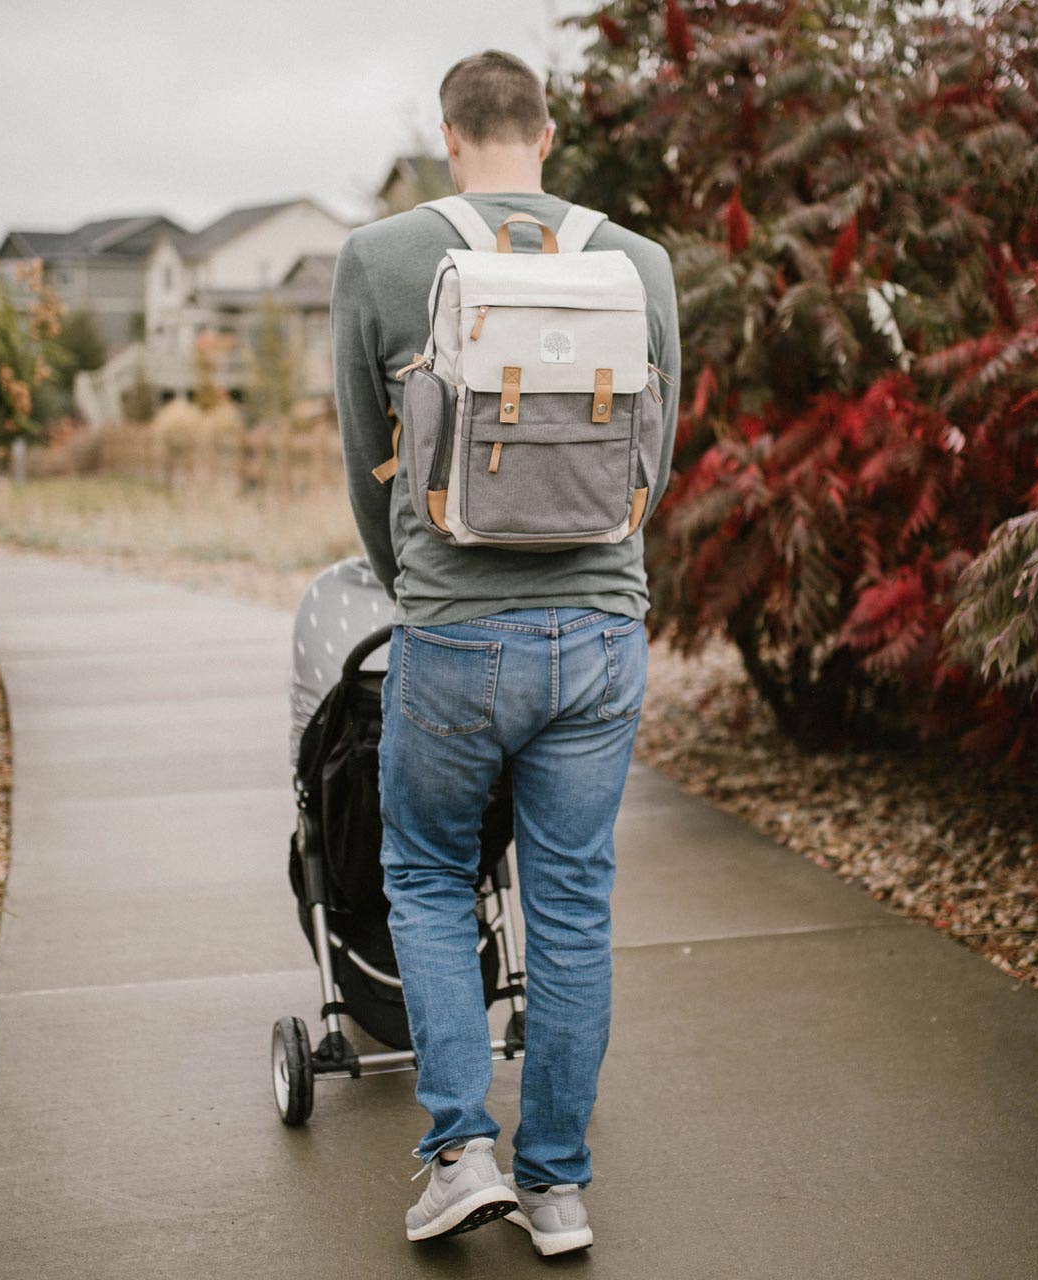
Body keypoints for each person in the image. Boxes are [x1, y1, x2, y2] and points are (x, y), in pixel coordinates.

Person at [330, 49, 680, 1254]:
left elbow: (365, 462)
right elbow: (651, 457)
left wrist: (418, 585)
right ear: (547, 132)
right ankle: (557, 1186)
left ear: (448, 136)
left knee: (428, 874)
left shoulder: (379, 258)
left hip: (453, 632)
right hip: (600, 629)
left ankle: (457, 1152)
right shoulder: (638, 263)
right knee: (571, 901)